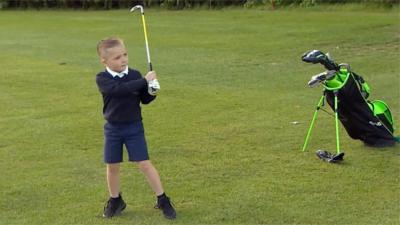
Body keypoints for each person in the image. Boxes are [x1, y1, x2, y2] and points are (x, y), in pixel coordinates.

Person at [95, 37, 176, 220]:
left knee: (144, 164)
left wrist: (152, 90)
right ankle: (116, 200)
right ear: (104, 61)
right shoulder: (103, 79)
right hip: (113, 128)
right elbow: (118, 90)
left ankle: (162, 199)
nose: (123, 59)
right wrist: (144, 81)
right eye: (117, 58)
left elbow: (144, 99)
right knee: (112, 165)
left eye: (125, 55)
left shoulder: (134, 75)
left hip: (134, 127)